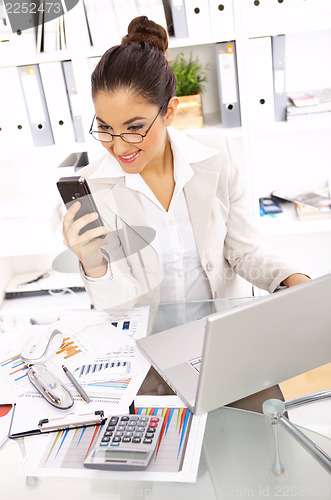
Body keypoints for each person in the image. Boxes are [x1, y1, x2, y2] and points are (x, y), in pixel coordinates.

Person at [62, 16, 310, 313]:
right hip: (147, 343)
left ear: (169, 111)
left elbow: (243, 252)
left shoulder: (217, 157)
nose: (119, 146)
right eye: (104, 128)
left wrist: (294, 281)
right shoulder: (93, 188)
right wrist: (93, 263)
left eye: (134, 127)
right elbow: (118, 307)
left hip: (221, 329)